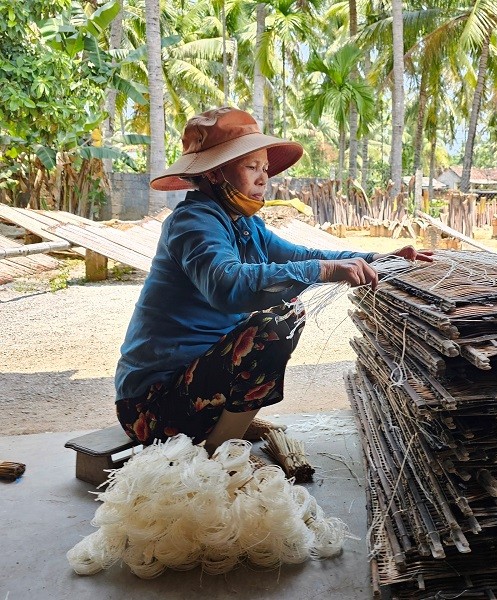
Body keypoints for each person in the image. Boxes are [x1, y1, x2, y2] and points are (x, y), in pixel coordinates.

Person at [115, 107, 432, 454]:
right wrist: (324, 272)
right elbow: (227, 286)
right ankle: (217, 456)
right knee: (275, 324)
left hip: (195, 390)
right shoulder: (193, 222)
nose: (264, 178)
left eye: (264, 168)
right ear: (216, 173)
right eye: (252, 167)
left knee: (289, 311)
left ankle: (229, 426)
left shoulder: (244, 225)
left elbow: (298, 256)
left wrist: (379, 259)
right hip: (152, 407)